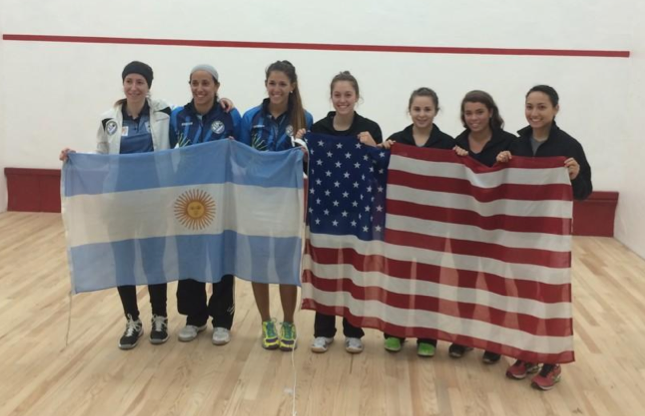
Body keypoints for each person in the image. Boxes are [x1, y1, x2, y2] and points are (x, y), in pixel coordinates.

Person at [60, 61, 172, 350]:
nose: (134, 87)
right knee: (123, 262)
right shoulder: (107, 118)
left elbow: (196, 111)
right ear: (123, 84)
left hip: (153, 200)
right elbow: (99, 156)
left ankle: (160, 317)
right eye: (129, 81)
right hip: (119, 203)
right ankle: (132, 320)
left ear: (149, 86)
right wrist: (74, 156)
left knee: (152, 260)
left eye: (140, 82)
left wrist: (226, 102)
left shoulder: (165, 113)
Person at [497, 85, 592, 391]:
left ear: (555, 109)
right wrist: (501, 161)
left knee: (549, 298)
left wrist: (576, 175)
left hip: (549, 238)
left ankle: (552, 361)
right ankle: (527, 354)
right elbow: (501, 185)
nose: (534, 113)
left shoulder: (569, 145)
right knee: (523, 296)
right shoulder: (516, 142)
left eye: (541, 107)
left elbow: (584, 191)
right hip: (518, 236)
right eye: (529, 106)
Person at [239, 60, 313, 351]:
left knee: (284, 264)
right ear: (266, 84)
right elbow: (241, 158)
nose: (277, 88)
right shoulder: (250, 117)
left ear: (292, 86)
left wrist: (306, 150)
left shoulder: (304, 118)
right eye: (272, 83)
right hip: (255, 200)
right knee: (259, 263)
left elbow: (309, 162)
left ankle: (289, 322)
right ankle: (266, 321)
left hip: (287, 201)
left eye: (282, 84)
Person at [308, 71, 382, 355]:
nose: (342, 100)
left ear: (357, 97)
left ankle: (353, 331)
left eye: (348, 95)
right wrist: (304, 147)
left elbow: (380, 168)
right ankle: (323, 332)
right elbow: (309, 167)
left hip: (357, 212)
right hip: (325, 211)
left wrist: (373, 146)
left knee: (354, 271)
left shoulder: (370, 127)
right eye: (337, 95)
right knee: (325, 269)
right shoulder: (320, 128)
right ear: (331, 97)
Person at [380, 87, 453, 358]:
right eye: (417, 109)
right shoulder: (395, 141)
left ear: (436, 111)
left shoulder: (448, 144)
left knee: (428, 281)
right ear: (409, 110)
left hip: (433, 226)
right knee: (398, 278)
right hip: (400, 223)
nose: (422, 114)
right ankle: (394, 332)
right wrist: (380, 150)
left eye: (427, 109)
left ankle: (427, 337)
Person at [170, 64, 241, 345]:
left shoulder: (229, 114)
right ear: (189, 85)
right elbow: (162, 151)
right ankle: (195, 318)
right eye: (195, 83)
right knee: (190, 255)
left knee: (220, 255)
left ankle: (222, 320)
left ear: (216, 86)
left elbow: (242, 150)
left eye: (206, 83)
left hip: (220, 196)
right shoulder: (178, 116)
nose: (200, 89)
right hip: (186, 198)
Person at [450, 90, 516, 363]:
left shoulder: (510, 143)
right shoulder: (456, 144)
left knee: (495, 284)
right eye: (468, 113)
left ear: (491, 112)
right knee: (465, 282)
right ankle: (464, 337)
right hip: (463, 226)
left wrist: (510, 162)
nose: (474, 118)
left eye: (479, 112)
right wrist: (456, 160)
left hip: (497, 227)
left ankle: (495, 341)